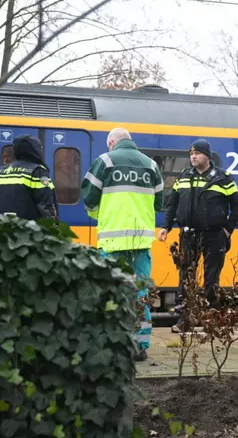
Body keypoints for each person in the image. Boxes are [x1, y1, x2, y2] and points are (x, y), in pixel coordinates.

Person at [80, 127, 163, 362]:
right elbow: (159, 204)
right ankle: (139, 346)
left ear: (111, 142)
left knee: (110, 292)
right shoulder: (151, 165)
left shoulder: (105, 161)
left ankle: (112, 344)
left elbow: (89, 197)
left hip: (112, 241)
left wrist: (101, 215)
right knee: (140, 294)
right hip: (141, 242)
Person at [158, 139, 238, 333]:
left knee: (211, 279)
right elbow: (172, 204)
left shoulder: (222, 177)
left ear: (207, 156)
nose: (193, 157)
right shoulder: (184, 176)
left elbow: (237, 206)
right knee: (186, 278)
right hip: (188, 234)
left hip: (214, 236)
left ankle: (210, 321)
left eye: (197, 154)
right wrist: (166, 226)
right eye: (191, 154)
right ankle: (184, 320)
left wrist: (227, 229)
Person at [0, 135, 59, 221]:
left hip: (2, 229)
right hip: (26, 230)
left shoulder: (0, 171)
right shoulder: (37, 171)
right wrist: (52, 227)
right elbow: (45, 206)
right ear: (35, 150)